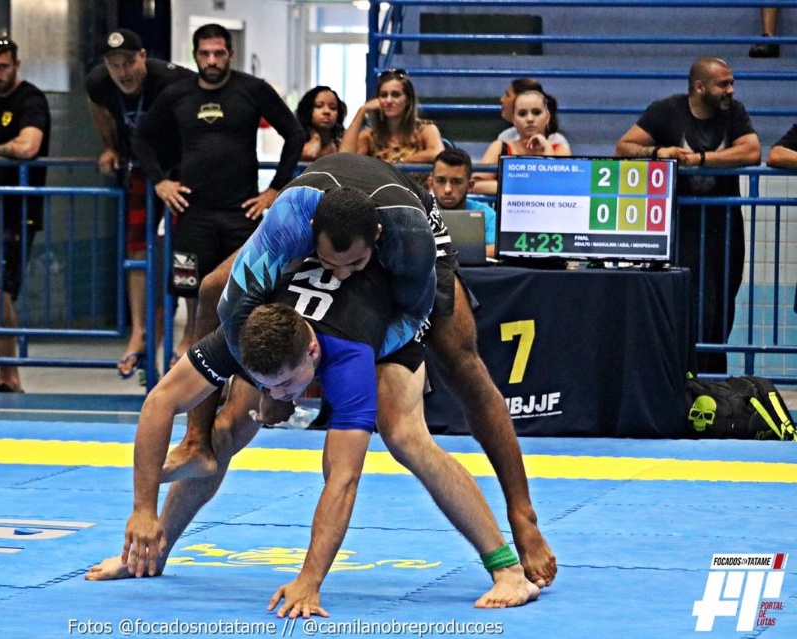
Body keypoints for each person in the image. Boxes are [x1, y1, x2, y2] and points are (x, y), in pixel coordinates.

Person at [85, 196, 540, 613]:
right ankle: (152, 551)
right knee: (230, 428)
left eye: (286, 386)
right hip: (297, 311)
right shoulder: (244, 332)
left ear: (312, 356)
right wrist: (142, 509)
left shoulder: (350, 363)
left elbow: (342, 480)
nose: (283, 398)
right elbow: (160, 401)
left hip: (386, 307)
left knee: (406, 435)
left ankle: (508, 569)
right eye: (272, 386)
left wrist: (310, 579)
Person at [166, 153, 557, 588]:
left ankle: (522, 515)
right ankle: (194, 445)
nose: (341, 275)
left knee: (457, 363)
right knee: (215, 294)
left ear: (375, 240)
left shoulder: (407, 238)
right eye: (331, 264)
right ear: (312, 239)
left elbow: (413, 314)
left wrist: (359, 352)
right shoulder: (290, 224)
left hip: (404, 236)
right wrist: (267, 387)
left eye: (351, 266)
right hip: (326, 228)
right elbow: (229, 304)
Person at [131, 23, 307, 362]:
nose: (212, 61)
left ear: (230, 54)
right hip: (193, 213)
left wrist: (275, 189)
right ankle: (192, 348)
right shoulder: (177, 94)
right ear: (195, 56)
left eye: (219, 54)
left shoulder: (253, 90)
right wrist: (159, 181)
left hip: (241, 212)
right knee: (190, 287)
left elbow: (294, 134)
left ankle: (244, 355)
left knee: (247, 287)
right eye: (205, 54)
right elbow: (141, 138)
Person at [615, 57, 761, 374]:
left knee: (722, 312)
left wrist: (701, 159)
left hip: (725, 230)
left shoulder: (734, 113)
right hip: (683, 229)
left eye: (731, 83)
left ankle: (713, 385)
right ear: (699, 87)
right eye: (723, 84)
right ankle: (685, 381)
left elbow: (752, 151)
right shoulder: (666, 110)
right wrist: (656, 153)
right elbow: (624, 147)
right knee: (694, 310)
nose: (730, 90)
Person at [86, 28, 196, 379]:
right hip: (141, 172)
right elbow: (97, 106)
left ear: (143, 57)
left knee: (187, 251)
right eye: (115, 64)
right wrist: (110, 145)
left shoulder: (172, 81)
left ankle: (191, 331)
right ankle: (140, 331)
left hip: (178, 171)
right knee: (136, 251)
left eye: (129, 62)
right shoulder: (100, 83)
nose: (124, 72)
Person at [0, 36, 51, 393]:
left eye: (3, 66)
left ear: (16, 65)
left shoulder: (31, 100)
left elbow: (29, 146)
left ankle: (11, 373)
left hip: (18, 208)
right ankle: (4, 373)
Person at [473, 90, 572, 195]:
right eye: (522, 114)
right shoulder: (500, 147)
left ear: (547, 117)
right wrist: (523, 186)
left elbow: (559, 186)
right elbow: (474, 185)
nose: (530, 119)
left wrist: (546, 147)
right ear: (514, 120)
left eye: (536, 112)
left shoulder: (560, 149)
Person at [339, 69, 445, 165]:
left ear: (408, 100)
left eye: (396, 95)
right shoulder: (369, 135)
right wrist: (362, 111)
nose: (388, 101)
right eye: (384, 95)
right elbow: (343, 158)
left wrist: (400, 162)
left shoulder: (425, 129)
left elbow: (437, 153)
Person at [429, 148, 496, 258]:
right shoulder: (418, 212)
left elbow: (496, 249)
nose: (447, 189)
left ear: (470, 186)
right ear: (431, 184)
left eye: (456, 182)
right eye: (440, 181)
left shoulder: (486, 214)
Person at [497, 78, 568, 148]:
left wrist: (546, 148)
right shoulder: (505, 138)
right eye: (522, 114)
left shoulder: (558, 143)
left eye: (507, 95)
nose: (502, 99)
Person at [296, 85, 347, 161]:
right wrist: (315, 138)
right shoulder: (297, 144)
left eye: (333, 108)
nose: (327, 111)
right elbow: (310, 154)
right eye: (319, 106)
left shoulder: (339, 145)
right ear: (308, 111)